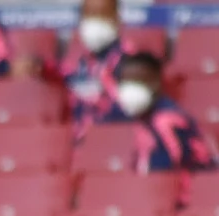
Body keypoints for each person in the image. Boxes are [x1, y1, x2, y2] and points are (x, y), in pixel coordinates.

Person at [12, 0, 134, 141]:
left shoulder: (130, 61)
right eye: (90, 15)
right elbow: (64, 75)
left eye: (102, 15)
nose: (95, 22)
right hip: (75, 142)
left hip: (111, 143)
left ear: (116, 17)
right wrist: (39, 67)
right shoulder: (81, 59)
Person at [111, 52, 219, 178]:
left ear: (156, 82)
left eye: (139, 81)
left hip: (196, 188)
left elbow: (167, 167)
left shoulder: (167, 120)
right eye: (126, 82)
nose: (130, 89)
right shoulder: (141, 117)